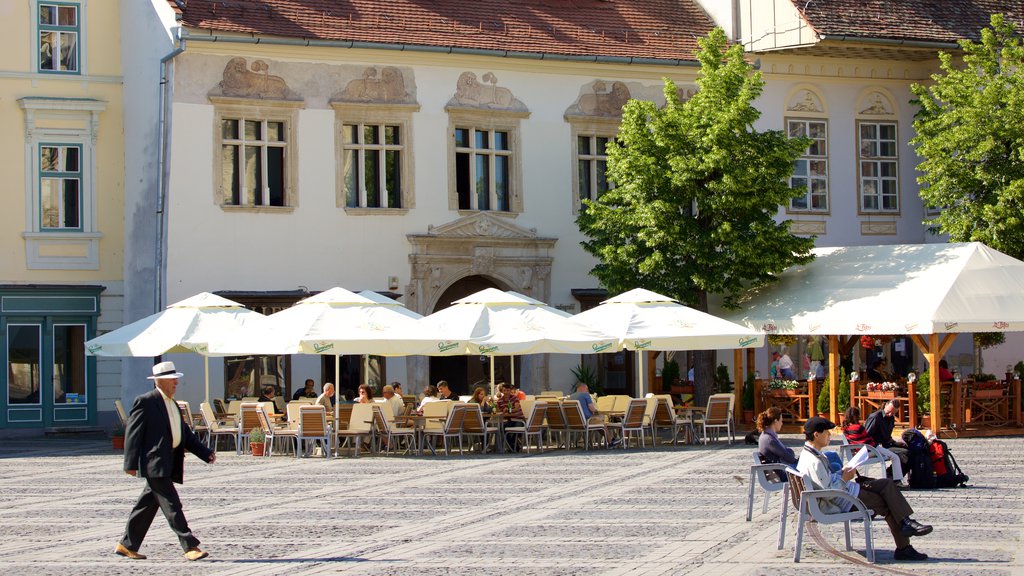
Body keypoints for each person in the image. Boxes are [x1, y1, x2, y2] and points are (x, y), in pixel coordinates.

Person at [115, 361, 215, 562]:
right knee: (172, 504)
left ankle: (127, 545)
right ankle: (190, 546)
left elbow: (184, 434)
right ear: (159, 381)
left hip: (168, 461)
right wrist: (130, 464)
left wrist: (205, 453)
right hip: (155, 462)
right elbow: (133, 434)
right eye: (172, 379)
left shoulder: (173, 404)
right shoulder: (146, 401)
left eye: (176, 379)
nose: (176, 382)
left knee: (146, 506)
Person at [797, 416, 932, 562]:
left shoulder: (810, 454)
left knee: (887, 484)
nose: (830, 435)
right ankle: (904, 546)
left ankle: (906, 522)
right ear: (816, 435)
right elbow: (829, 494)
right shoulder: (813, 462)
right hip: (843, 500)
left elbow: (826, 482)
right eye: (827, 432)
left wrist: (842, 472)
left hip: (846, 492)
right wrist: (844, 478)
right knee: (887, 503)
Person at [844, 406, 905, 484]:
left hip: (858, 453)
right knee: (895, 457)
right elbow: (869, 441)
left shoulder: (845, 429)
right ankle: (897, 481)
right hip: (869, 451)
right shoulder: (859, 428)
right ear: (857, 416)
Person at [863, 399, 910, 477]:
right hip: (873, 447)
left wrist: (896, 443)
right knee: (904, 453)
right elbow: (866, 436)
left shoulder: (891, 419)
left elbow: (887, 438)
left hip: (885, 444)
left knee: (909, 449)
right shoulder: (875, 417)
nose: (890, 414)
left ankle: (895, 475)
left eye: (893, 413)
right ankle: (893, 476)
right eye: (888, 411)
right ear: (885, 406)